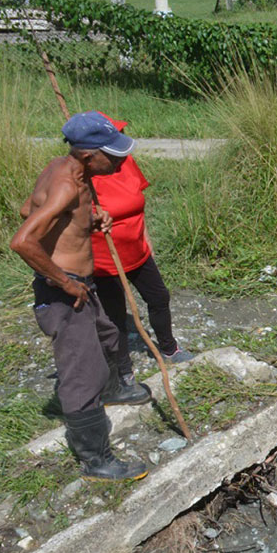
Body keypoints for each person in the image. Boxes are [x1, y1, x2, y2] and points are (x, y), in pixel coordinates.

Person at [11, 111, 150, 482]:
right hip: (64, 290)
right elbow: (23, 240)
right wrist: (64, 281)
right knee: (81, 371)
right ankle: (96, 459)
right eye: (112, 155)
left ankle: (116, 388)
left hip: (78, 284)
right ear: (89, 156)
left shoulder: (65, 169)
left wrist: (89, 216)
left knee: (108, 333)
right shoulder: (66, 185)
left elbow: (29, 209)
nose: (120, 160)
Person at [90, 113, 193, 395]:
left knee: (159, 297)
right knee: (115, 317)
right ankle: (123, 372)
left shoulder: (126, 163)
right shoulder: (84, 176)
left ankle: (169, 349)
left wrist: (145, 237)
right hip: (104, 259)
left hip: (137, 249)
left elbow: (139, 201)